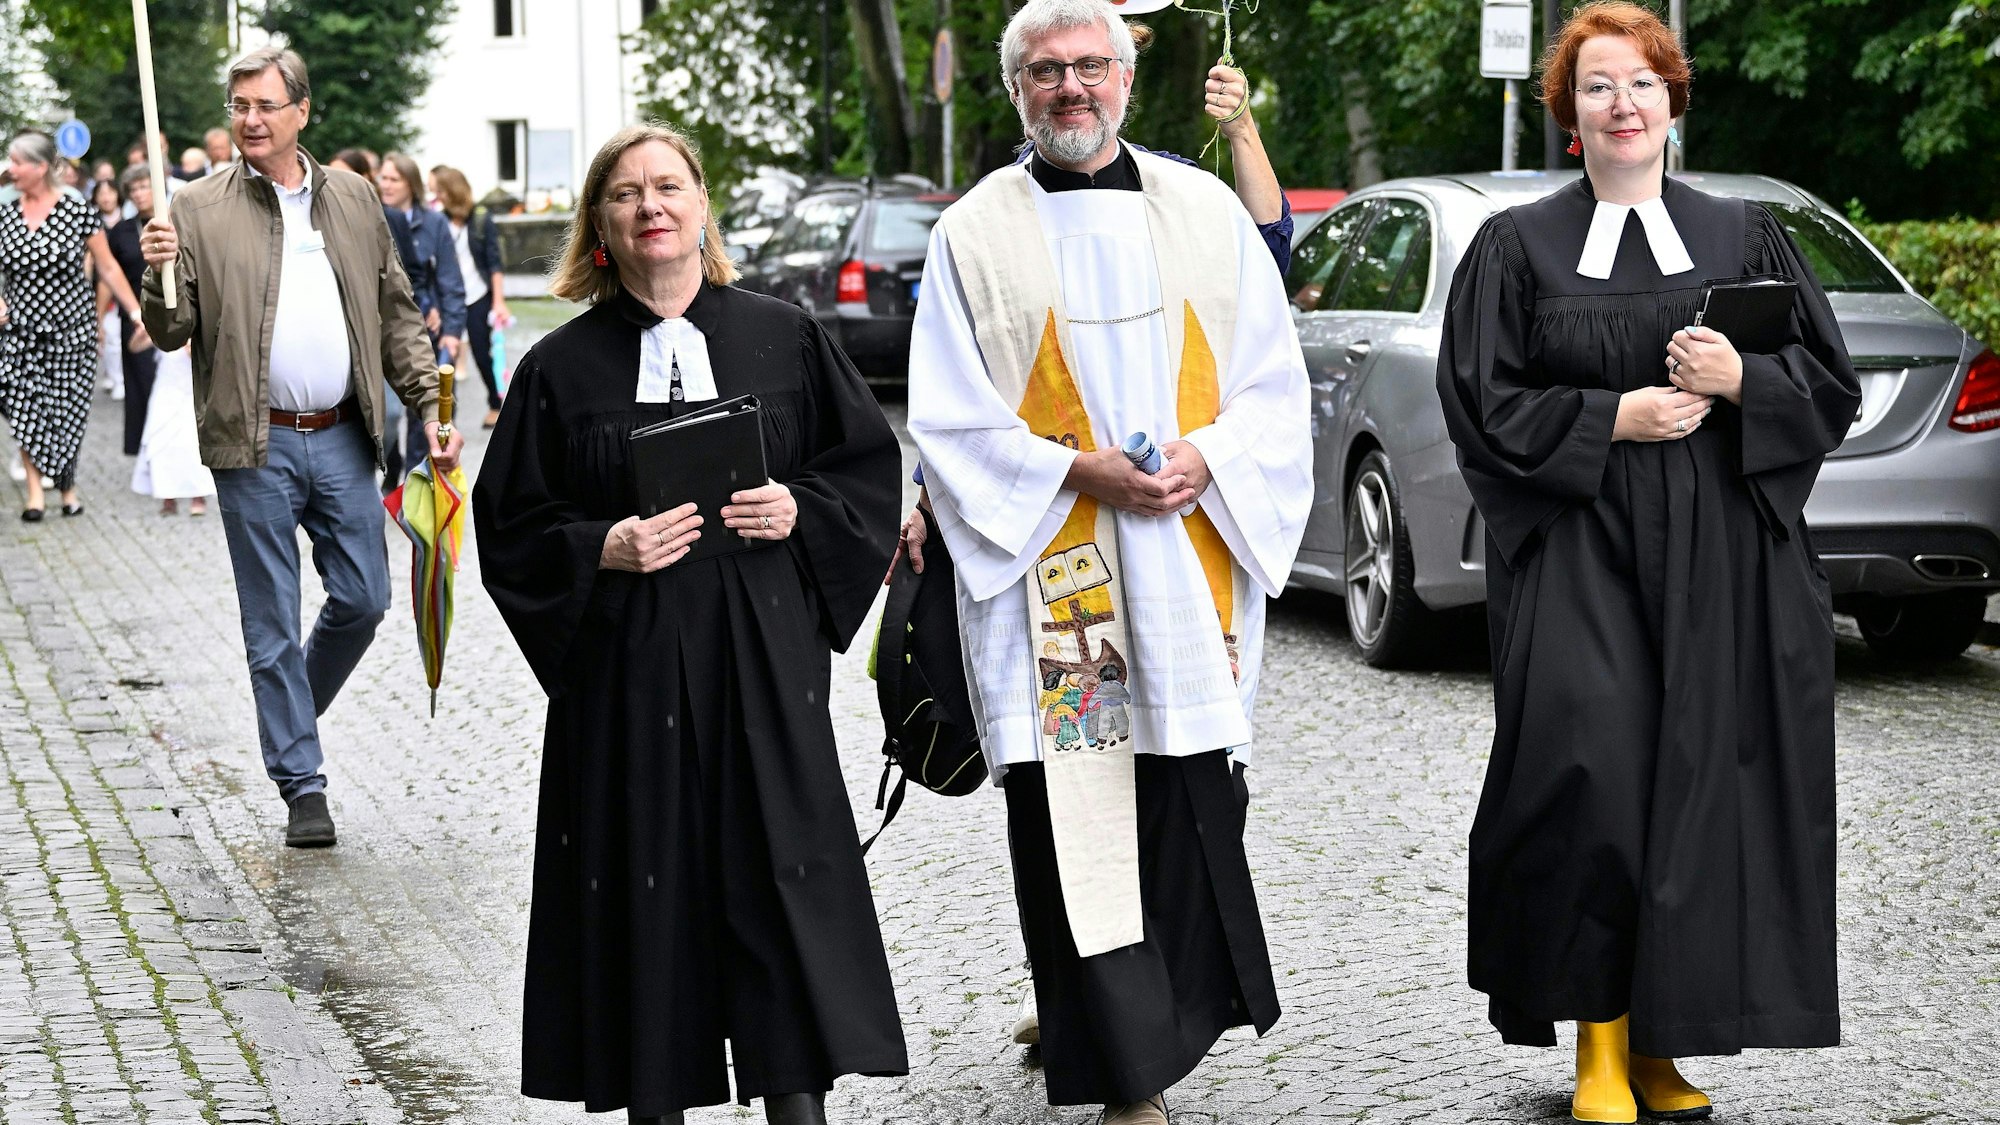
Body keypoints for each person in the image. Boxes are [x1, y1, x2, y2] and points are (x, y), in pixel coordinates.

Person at [1435, 4, 1859, 1122]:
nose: (1619, 105)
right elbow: (1478, 406)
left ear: (1671, 101)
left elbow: (1827, 392)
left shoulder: (1743, 238)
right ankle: (1596, 1046)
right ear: (1566, 116)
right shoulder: (1515, 245)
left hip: (1723, 561)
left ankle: (1664, 1047)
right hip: (1575, 553)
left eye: (1639, 84)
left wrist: (1740, 385)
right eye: (1595, 88)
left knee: (1694, 799)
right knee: (1590, 786)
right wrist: (1603, 420)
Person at [905, 1, 1311, 1121]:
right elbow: (945, 421)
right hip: (1056, 580)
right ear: (1016, 92)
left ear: (1127, 79)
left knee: (1190, 802)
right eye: (1045, 72)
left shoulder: (1206, 211)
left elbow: (1273, 389)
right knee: (1076, 821)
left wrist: (1207, 455)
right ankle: (1126, 1079)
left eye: (1090, 66)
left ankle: (1156, 1020)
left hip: (1188, 571)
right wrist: (1077, 474)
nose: (1070, 87)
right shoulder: (972, 235)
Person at [473, 122, 907, 1125]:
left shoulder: (783, 336)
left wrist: (800, 511)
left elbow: (862, 474)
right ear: (599, 226)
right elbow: (512, 528)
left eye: (667, 187)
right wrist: (601, 548)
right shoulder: (560, 370)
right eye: (625, 195)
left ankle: (796, 1108)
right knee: (642, 888)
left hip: (760, 662)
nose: (650, 207)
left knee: (775, 883)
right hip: (624, 672)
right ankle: (652, 1109)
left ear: (700, 206)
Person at [138, 46, 463, 848]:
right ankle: (302, 782)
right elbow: (171, 330)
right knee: (271, 621)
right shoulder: (196, 208)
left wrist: (430, 402)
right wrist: (159, 270)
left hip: (345, 437)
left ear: (301, 112)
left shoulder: (352, 199)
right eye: (237, 105)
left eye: (264, 105)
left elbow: (395, 311)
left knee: (366, 597)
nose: (248, 119)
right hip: (254, 443)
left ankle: (289, 712)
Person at [0, 130, 150, 520]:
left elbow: (108, 267)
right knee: (25, 409)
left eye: (17, 162)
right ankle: (35, 493)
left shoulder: (77, 211)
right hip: (20, 334)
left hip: (73, 334)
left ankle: (66, 488)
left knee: (66, 413)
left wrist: (135, 313)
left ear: (40, 167)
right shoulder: (5, 213)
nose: (10, 168)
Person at [375, 151, 463, 487]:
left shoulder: (433, 223)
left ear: (411, 184)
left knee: (422, 415)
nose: (386, 185)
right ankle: (392, 460)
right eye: (382, 177)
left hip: (428, 325)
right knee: (387, 414)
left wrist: (452, 329)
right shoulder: (375, 217)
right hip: (383, 328)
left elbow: (449, 280)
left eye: (394, 179)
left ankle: (416, 480)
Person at [428, 164, 509, 428]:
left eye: (437, 191)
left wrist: (498, 302)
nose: (434, 197)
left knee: (483, 354)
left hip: (478, 295)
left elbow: (494, 263)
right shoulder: (436, 220)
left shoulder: (481, 219)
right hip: (447, 298)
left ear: (450, 190)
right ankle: (447, 415)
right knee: (445, 356)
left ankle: (496, 405)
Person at [103, 164, 161, 450]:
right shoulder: (122, 231)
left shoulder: (174, 222)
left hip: (172, 316)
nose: (139, 194)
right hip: (135, 319)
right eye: (133, 189)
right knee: (140, 384)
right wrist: (98, 319)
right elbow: (106, 277)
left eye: (144, 186)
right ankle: (145, 444)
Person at [89, 175, 127, 399]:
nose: (106, 197)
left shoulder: (129, 222)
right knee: (109, 335)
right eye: (101, 193)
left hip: (127, 284)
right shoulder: (91, 224)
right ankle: (116, 377)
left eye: (109, 192)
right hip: (101, 287)